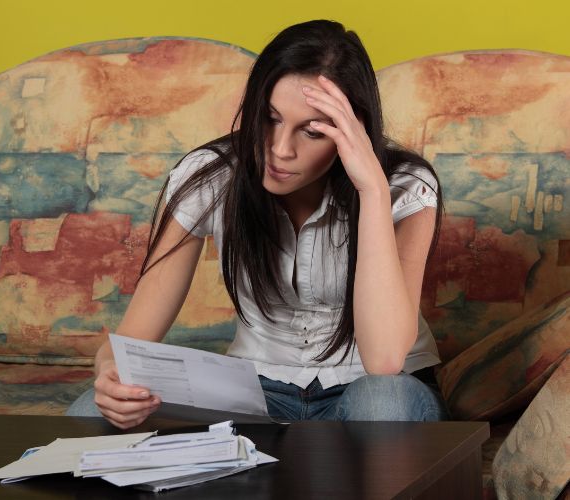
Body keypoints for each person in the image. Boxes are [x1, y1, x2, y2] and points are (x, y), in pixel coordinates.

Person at [66, 19, 449, 429]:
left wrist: (371, 188)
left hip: (373, 386)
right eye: (269, 118)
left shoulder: (405, 187)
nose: (280, 150)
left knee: (383, 403)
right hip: (259, 391)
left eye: (313, 131)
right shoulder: (210, 176)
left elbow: (385, 359)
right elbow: (131, 339)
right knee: (91, 411)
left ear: (352, 132)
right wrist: (110, 374)